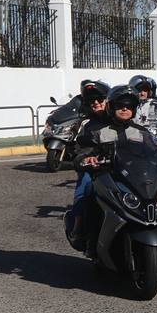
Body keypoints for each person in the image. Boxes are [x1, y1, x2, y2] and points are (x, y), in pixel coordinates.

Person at [70, 86, 157, 252]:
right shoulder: (96, 130)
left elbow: (156, 151)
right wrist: (86, 158)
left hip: (133, 178)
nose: (125, 108)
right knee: (89, 192)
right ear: (112, 107)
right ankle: (86, 236)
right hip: (108, 176)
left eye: (129, 105)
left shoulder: (142, 132)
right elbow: (82, 150)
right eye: (120, 105)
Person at [62, 81, 111, 243]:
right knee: (86, 184)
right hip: (96, 169)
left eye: (99, 98)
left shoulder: (122, 119)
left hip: (122, 166)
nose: (96, 102)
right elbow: (80, 148)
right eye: (92, 100)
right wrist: (85, 158)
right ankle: (78, 224)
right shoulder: (87, 125)